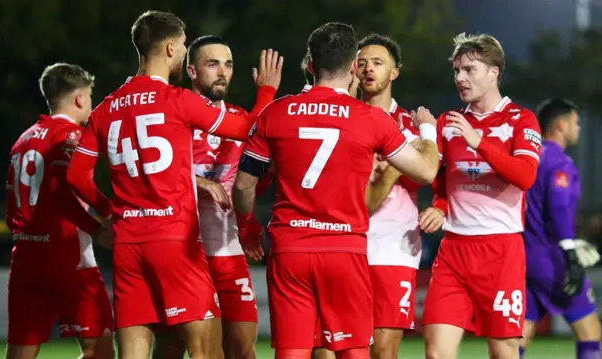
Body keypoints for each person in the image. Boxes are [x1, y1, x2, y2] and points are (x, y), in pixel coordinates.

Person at [66, 10, 282, 359]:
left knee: (135, 349)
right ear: (169, 48)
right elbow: (246, 129)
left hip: (129, 243)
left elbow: (76, 175)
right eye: (183, 45)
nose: (183, 52)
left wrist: (111, 210)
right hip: (174, 239)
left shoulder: (106, 107)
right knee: (205, 350)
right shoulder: (177, 100)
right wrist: (267, 91)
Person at [232, 22, 439, 359]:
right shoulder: (371, 119)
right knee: (352, 352)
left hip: (291, 250)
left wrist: (247, 226)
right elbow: (428, 170)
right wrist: (428, 130)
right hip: (344, 249)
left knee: (294, 351)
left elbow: (243, 185)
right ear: (354, 67)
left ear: (311, 65)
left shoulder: (276, 113)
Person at [151, 35, 279, 359]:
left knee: (242, 349)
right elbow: (151, 172)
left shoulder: (237, 117)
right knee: (171, 350)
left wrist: (248, 224)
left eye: (228, 64)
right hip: (183, 255)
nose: (222, 72)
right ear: (191, 71)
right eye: (212, 64)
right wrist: (199, 182)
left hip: (228, 253)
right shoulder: (173, 116)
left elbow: (248, 182)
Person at [420, 33, 542, 359]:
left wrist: (479, 143)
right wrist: (440, 205)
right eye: (457, 70)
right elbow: (442, 179)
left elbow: (525, 176)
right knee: (436, 352)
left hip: (500, 250)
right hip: (454, 252)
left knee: (503, 351)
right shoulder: (449, 123)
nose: (460, 78)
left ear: (494, 72)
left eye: (470, 69)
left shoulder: (520, 119)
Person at [5, 63, 114, 359]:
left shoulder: (22, 140)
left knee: (20, 353)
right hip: (68, 257)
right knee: (100, 352)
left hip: (25, 258)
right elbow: (70, 188)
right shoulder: (70, 136)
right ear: (79, 98)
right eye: (90, 96)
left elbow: (11, 205)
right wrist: (107, 216)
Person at [356, 33, 424, 359]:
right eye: (363, 63)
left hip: (393, 249)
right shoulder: (343, 119)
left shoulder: (411, 125)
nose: (369, 69)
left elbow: (436, 178)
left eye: (378, 63)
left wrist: (438, 205)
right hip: (345, 243)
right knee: (339, 346)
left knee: (384, 350)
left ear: (394, 72)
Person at [521, 98, 601, 359]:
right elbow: (557, 207)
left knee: (522, 333)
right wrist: (570, 251)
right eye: (576, 123)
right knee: (590, 332)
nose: (578, 128)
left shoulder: (528, 158)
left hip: (525, 255)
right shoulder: (559, 162)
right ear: (561, 125)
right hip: (552, 258)